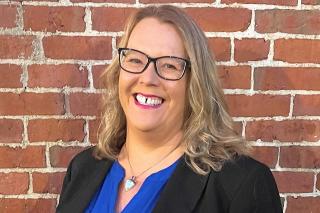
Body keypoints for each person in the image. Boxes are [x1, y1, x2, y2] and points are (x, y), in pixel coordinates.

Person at [56, 5, 282, 213]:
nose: (147, 78)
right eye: (135, 60)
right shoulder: (83, 168)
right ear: (118, 73)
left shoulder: (242, 186)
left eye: (169, 65)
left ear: (195, 84)